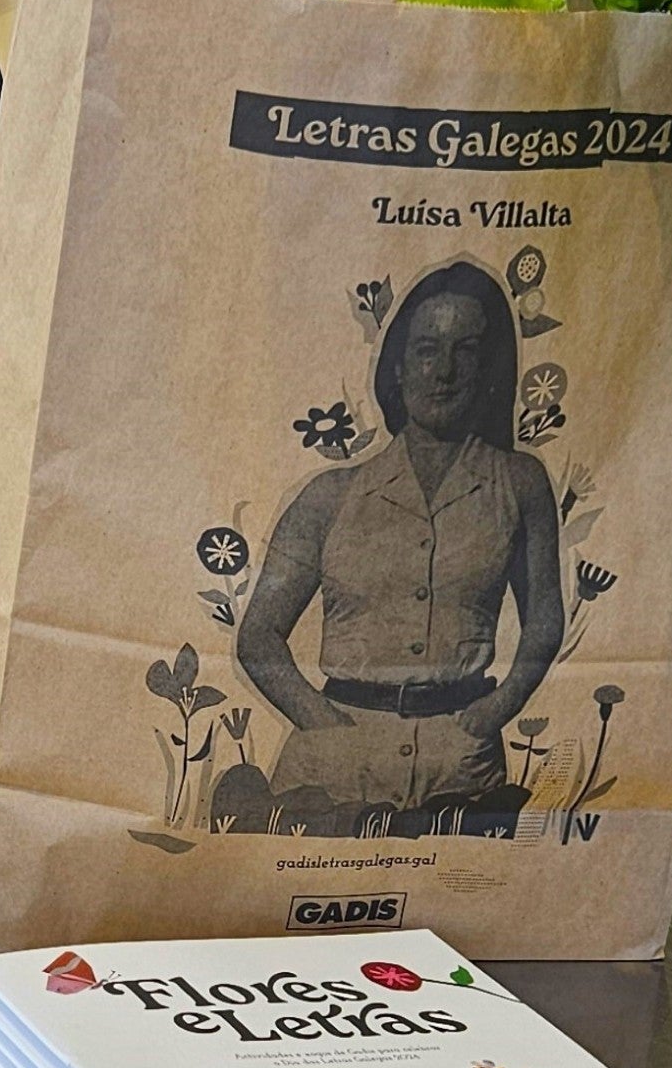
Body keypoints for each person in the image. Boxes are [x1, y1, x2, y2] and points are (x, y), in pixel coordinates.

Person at [233, 260, 562, 825]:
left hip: (460, 765)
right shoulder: (329, 495)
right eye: (428, 350)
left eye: (466, 351)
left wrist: (490, 715)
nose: (445, 371)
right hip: (334, 765)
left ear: (489, 369)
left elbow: (544, 621)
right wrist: (323, 725)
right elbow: (259, 636)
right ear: (399, 368)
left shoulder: (519, 483)